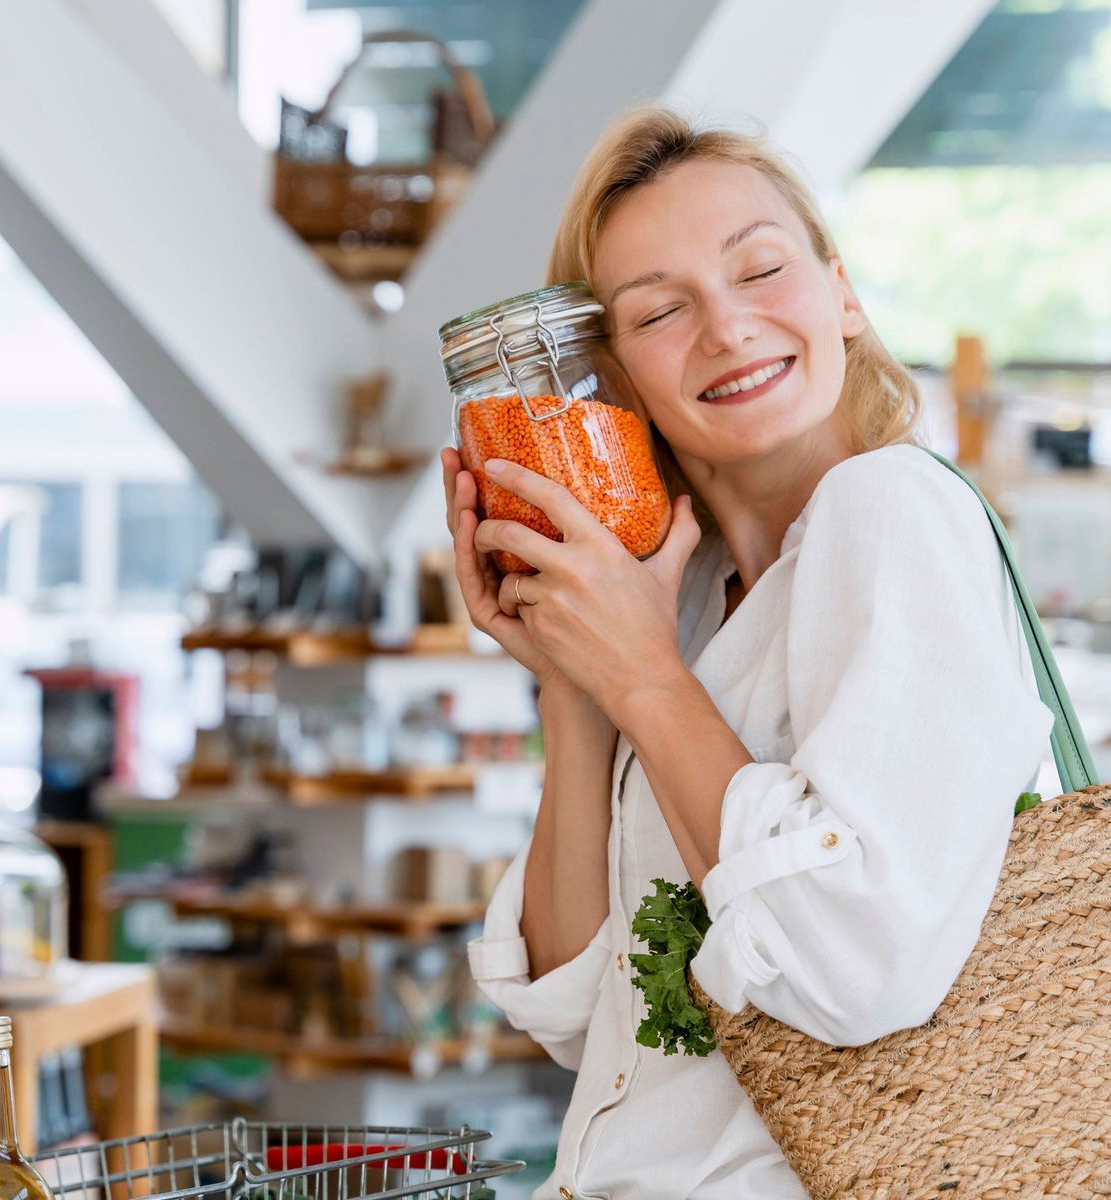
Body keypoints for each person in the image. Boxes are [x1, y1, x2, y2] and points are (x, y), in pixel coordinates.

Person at [440, 107, 1054, 1200]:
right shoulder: (683, 605)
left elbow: (858, 969)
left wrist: (641, 679)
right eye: (661, 311)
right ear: (610, 379)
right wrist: (576, 685)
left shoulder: (890, 509)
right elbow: (578, 1011)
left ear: (843, 294)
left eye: (761, 268)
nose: (727, 329)